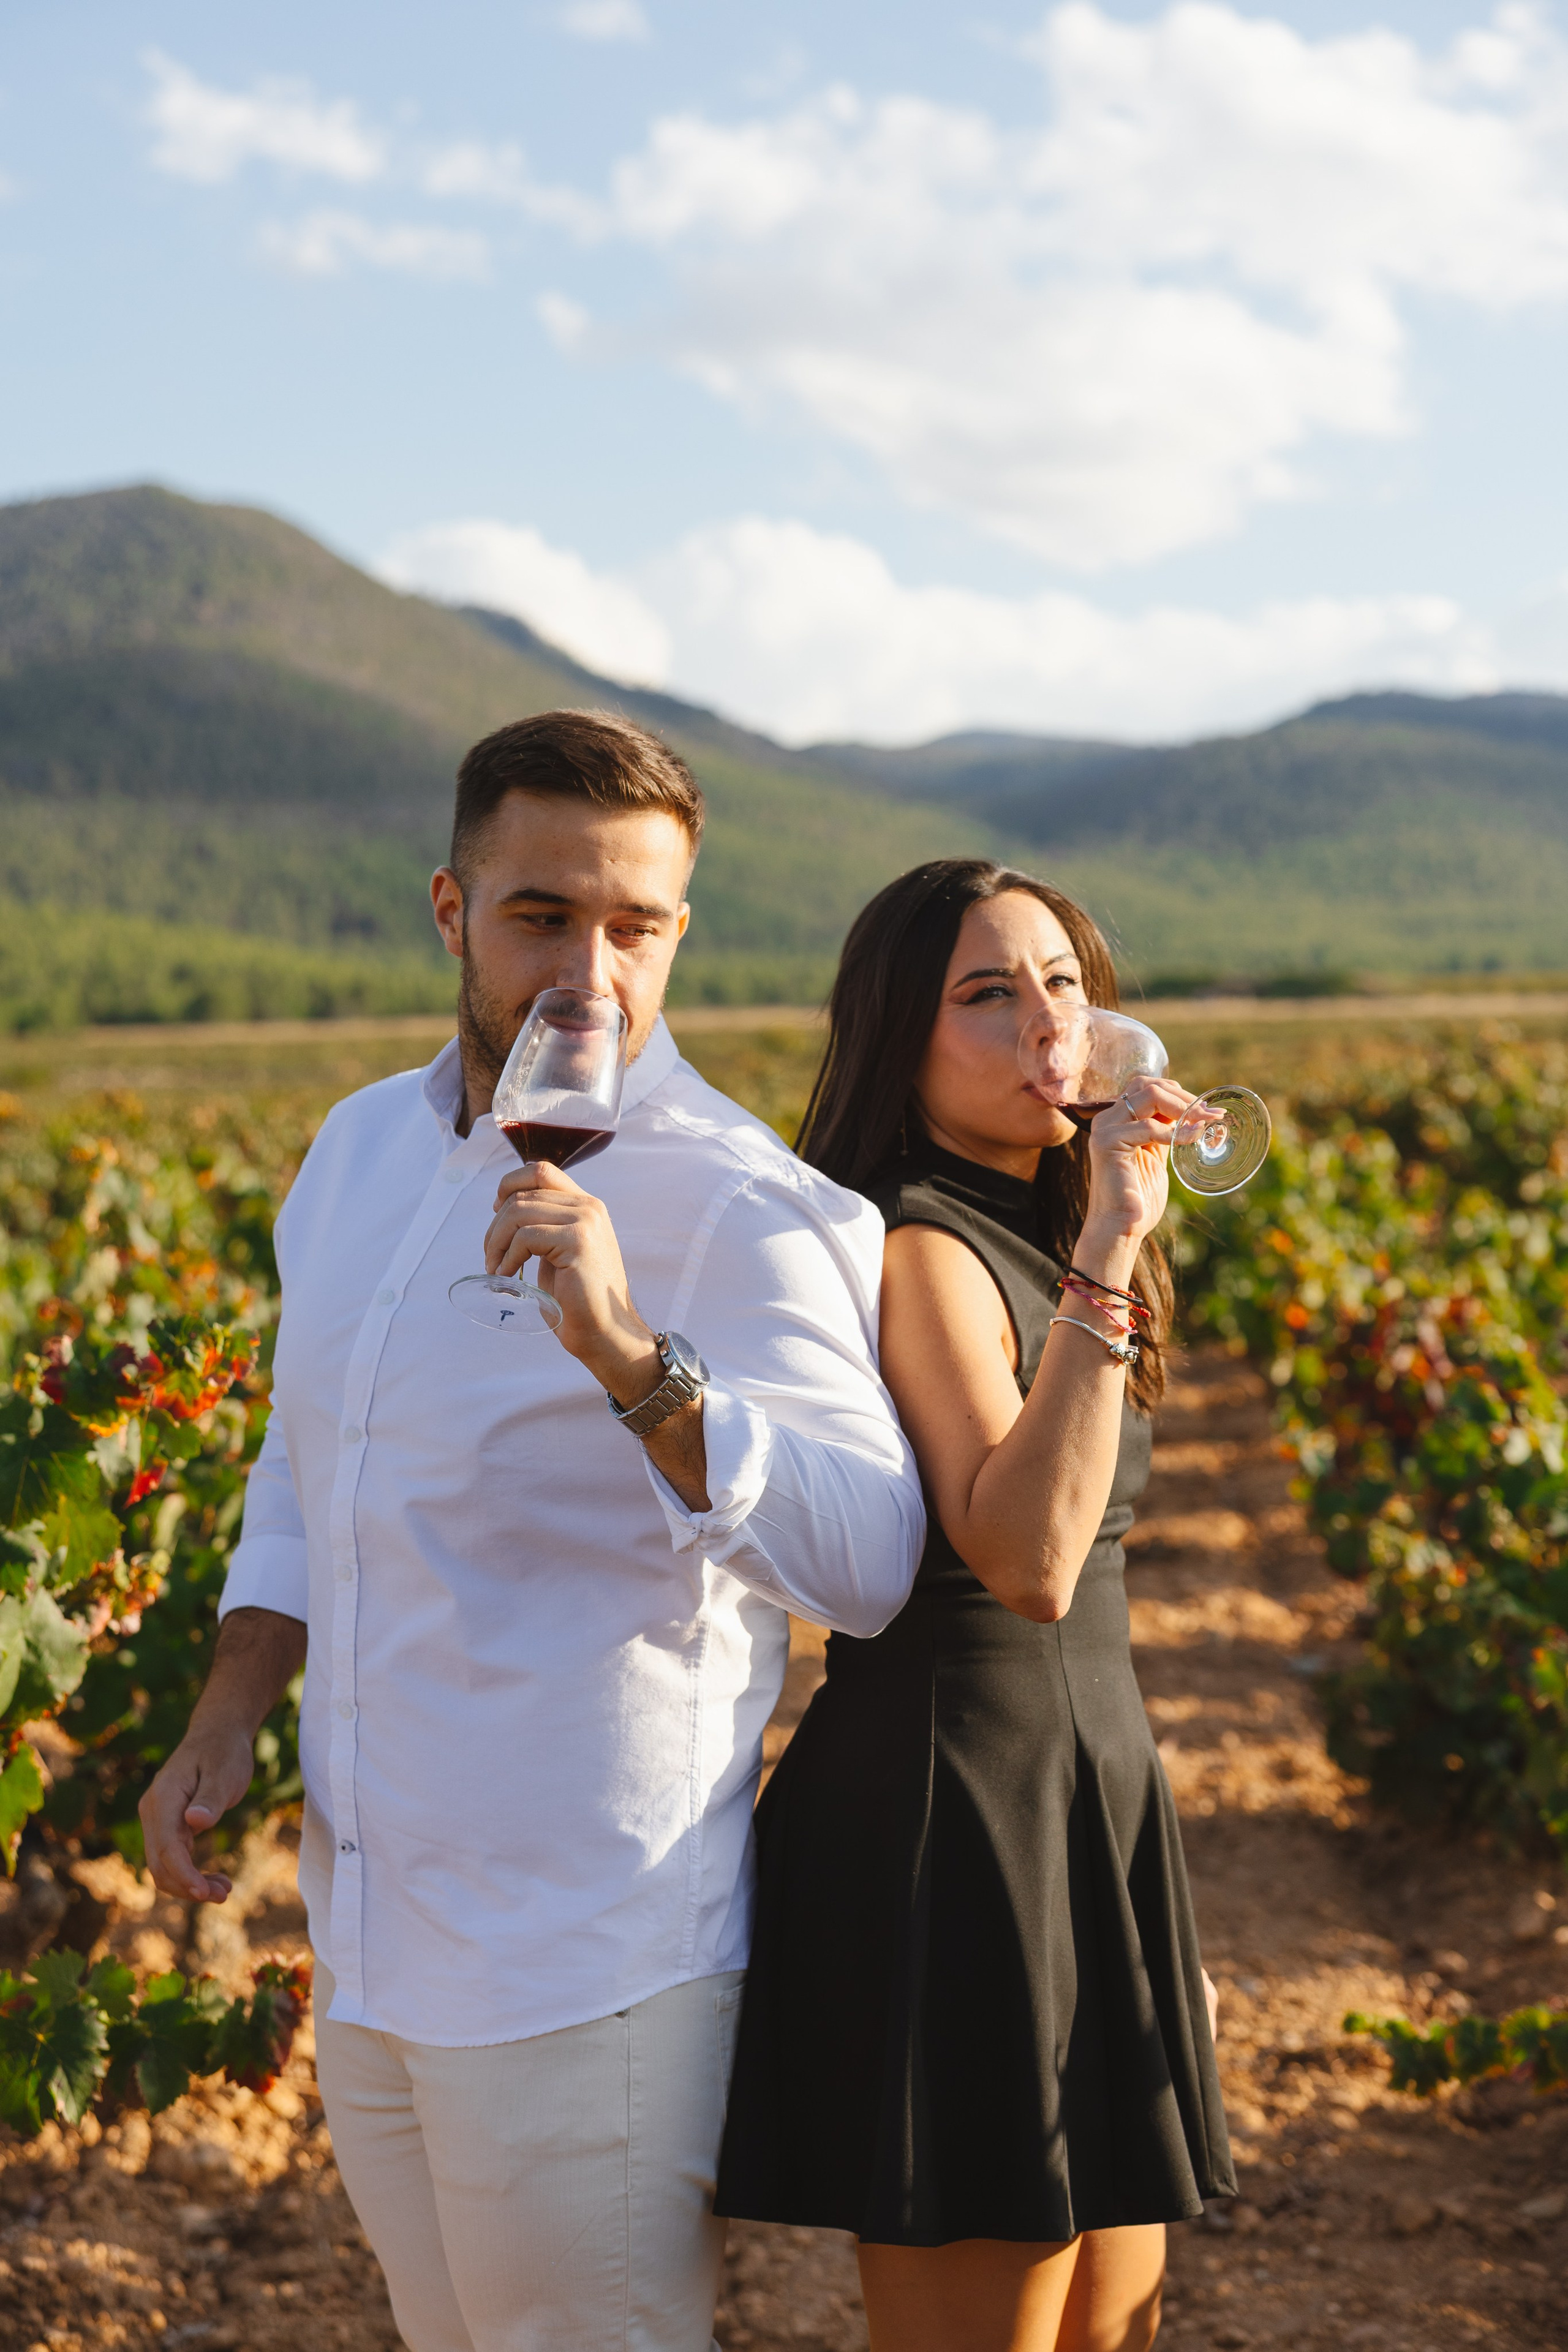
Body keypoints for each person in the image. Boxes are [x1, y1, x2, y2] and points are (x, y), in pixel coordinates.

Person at [140, 710, 925, 2352]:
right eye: (541, 916)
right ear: (451, 911)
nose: (591, 970)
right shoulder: (356, 1156)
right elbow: (311, 1469)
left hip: (590, 1956)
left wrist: (639, 1366)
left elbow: (869, 1560)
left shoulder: (736, 1203)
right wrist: (227, 1719)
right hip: (370, 1931)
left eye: (635, 926)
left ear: (680, 932)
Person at [715, 859, 1236, 2352]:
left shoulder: (1039, 1219)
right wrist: (1112, 1244)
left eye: (1063, 983)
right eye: (986, 995)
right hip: (958, 1815)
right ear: (900, 1037)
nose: (1046, 1027)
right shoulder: (920, 1245)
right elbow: (1025, 1559)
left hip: (1086, 1785)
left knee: (1109, 2325)